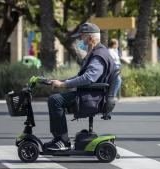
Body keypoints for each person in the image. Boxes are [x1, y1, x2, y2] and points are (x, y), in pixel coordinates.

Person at [44, 23, 116, 151]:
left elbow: (89, 78)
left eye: (82, 38)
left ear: (91, 39)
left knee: (55, 100)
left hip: (93, 97)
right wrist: (60, 81)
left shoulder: (98, 56)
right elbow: (82, 76)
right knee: (56, 99)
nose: (80, 41)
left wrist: (64, 84)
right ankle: (60, 139)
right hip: (91, 95)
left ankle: (62, 141)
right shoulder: (96, 53)